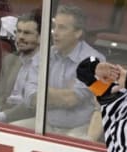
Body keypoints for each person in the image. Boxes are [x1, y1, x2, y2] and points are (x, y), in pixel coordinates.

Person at [44, 4, 104, 138]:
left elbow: (72, 99)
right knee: (10, 132)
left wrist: (44, 92)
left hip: (78, 128)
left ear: (78, 33)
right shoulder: (48, 53)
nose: (55, 33)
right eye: (54, 27)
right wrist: (61, 94)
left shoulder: (93, 60)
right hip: (44, 124)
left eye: (62, 28)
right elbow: (30, 92)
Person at [0, 9, 40, 125]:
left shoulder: (45, 65)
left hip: (24, 119)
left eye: (27, 33)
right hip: (1, 115)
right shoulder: (10, 60)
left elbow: (33, 107)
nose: (21, 37)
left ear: (40, 37)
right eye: (18, 31)